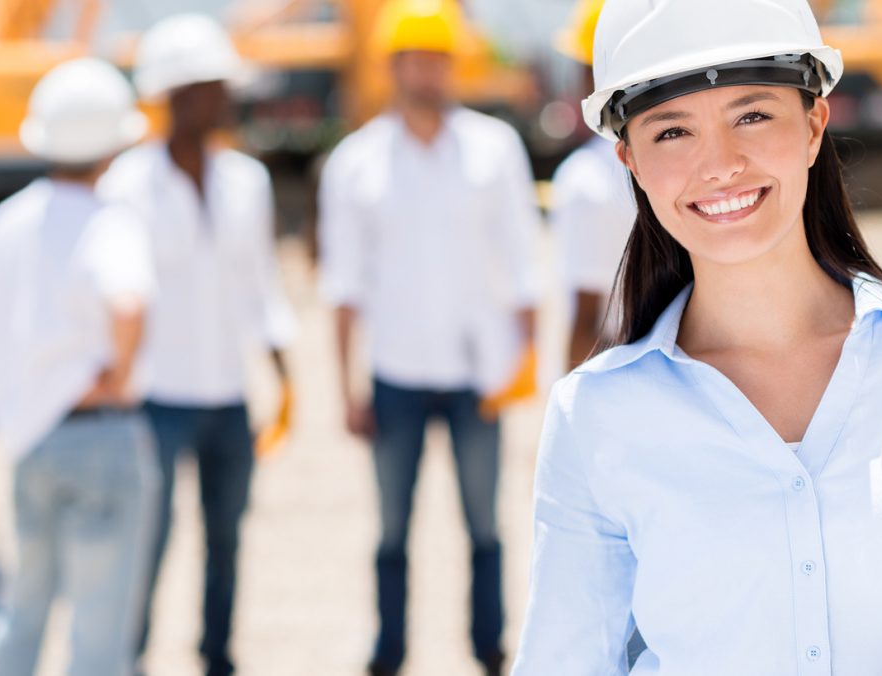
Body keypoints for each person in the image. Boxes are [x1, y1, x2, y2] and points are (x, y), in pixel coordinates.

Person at [513, 0, 882, 674]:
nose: (719, 165)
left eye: (751, 115)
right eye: (672, 133)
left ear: (813, 125)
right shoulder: (594, 416)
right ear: (628, 159)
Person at [317, 1, 541, 673]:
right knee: (390, 530)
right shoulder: (354, 165)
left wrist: (523, 364)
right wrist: (347, 388)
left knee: (484, 526)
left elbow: (524, 262)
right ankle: (389, 651)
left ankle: (490, 646)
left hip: (480, 372)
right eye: (417, 60)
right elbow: (343, 290)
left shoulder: (493, 149)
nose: (429, 72)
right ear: (393, 68)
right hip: (395, 376)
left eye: (440, 60)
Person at [97, 14, 296, 676]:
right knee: (145, 542)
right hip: (155, 399)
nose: (227, 99)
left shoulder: (247, 181)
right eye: (215, 86)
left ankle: (217, 658)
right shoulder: (124, 185)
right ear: (178, 94)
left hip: (226, 397)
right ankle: (128, 660)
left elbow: (259, 282)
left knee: (226, 540)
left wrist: (282, 370)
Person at [0, 57, 158, 676]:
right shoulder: (110, 220)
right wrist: (120, 374)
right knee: (100, 631)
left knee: (21, 606)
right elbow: (127, 302)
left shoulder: (5, 221)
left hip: (31, 436)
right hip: (99, 432)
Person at [550, 0, 636, 370]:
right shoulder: (674, 151)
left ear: (591, 75)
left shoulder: (585, 178)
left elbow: (588, 318)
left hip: (621, 361)